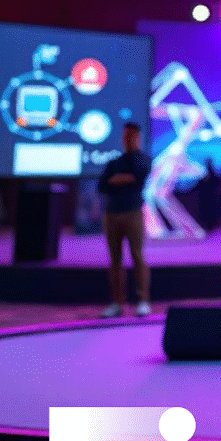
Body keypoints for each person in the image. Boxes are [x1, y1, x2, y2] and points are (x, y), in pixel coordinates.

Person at [97, 121, 153, 318]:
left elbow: (139, 175)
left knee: (137, 256)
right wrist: (124, 179)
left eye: (131, 135)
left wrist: (118, 179)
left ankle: (142, 300)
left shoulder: (143, 160)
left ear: (137, 137)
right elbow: (103, 185)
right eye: (125, 135)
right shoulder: (114, 162)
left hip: (133, 213)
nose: (127, 139)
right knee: (115, 260)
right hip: (111, 214)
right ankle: (117, 302)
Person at [196, 158, 219, 232]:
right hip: (205, 196)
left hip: (209, 196)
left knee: (209, 211)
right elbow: (200, 183)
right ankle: (207, 225)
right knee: (205, 212)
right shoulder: (204, 173)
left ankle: (210, 225)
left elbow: (215, 183)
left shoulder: (212, 173)